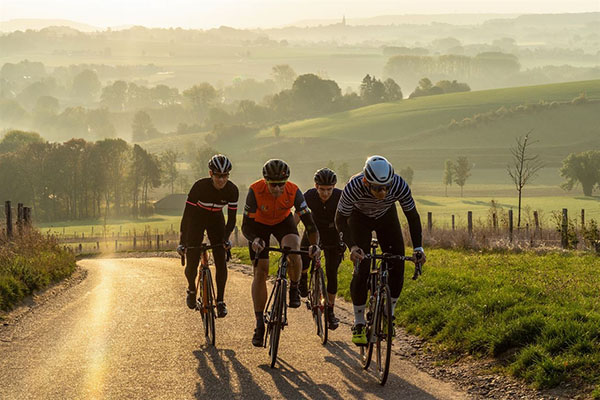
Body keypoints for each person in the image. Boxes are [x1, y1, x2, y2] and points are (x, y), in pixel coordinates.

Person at [335, 155, 426, 345]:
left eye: (386, 187)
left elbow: (412, 216)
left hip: (386, 217)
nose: (383, 192)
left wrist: (418, 247)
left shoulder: (399, 185)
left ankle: (389, 314)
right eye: (377, 188)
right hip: (359, 219)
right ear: (366, 182)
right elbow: (340, 220)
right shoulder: (353, 187)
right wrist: (352, 247)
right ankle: (359, 322)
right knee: (362, 267)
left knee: (398, 264)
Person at [242, 159, 320, 347]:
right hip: (258, 226)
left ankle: (293, 287)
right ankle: (259, 324)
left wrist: (314, 245)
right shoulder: (254, 191)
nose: (277, 189)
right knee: (261, 271)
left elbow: (309, 224)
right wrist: (255, 240)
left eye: (280, 184)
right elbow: (245, 226)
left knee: (294, 248)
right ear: (265, 181)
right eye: (273, 184)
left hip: (283, 223)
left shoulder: (293, 191)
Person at [177, 154, 239, 318]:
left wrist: (226, 239)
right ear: (211, 174)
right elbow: (187, 216)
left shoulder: (232, 190)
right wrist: (182, 242)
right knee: (191, 261)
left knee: (220, 258)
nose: (221, 180)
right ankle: (191, 288)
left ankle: (220, 301)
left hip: (216, 220)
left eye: (225, 176)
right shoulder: (199, 187)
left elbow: (232, 220)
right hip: (196, 220)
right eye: (218, 176)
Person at [296, 168, 344, 330]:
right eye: (322, 189)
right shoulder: (308, 195)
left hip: (333, 233)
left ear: (334, 187)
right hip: (313, 231)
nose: (325, 193)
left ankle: (330, 311)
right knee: (303, 256)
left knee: (331, 272)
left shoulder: (340, 196)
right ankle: (303, 278)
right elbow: (295, 218)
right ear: (316, 186)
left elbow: (349, 219)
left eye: (329, 189)